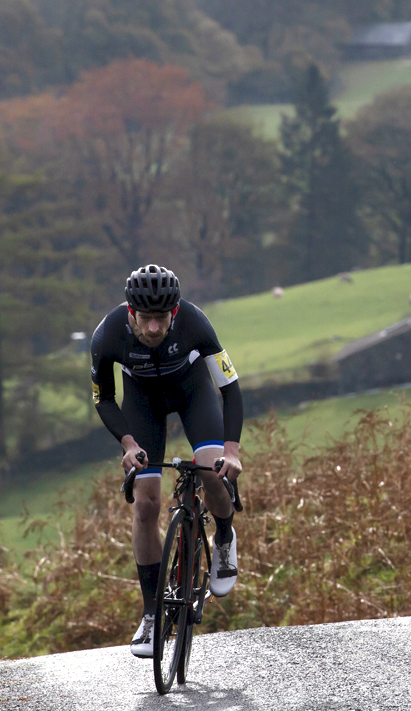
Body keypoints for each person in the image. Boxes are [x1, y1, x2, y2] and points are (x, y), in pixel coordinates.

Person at [90, 264, 243, 658]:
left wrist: (232, 452)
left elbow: (230, 388)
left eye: (162, 319)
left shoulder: (194, 322)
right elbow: (103, 398)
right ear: (131, 313)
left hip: (194, 396)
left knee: (211, 468)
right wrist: (127, 443)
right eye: (146, 319)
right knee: (145, 503)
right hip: (143, 406)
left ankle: (224, 535)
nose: (154, 329)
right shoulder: (107, 335)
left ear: (173, 313)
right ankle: (152, 612)